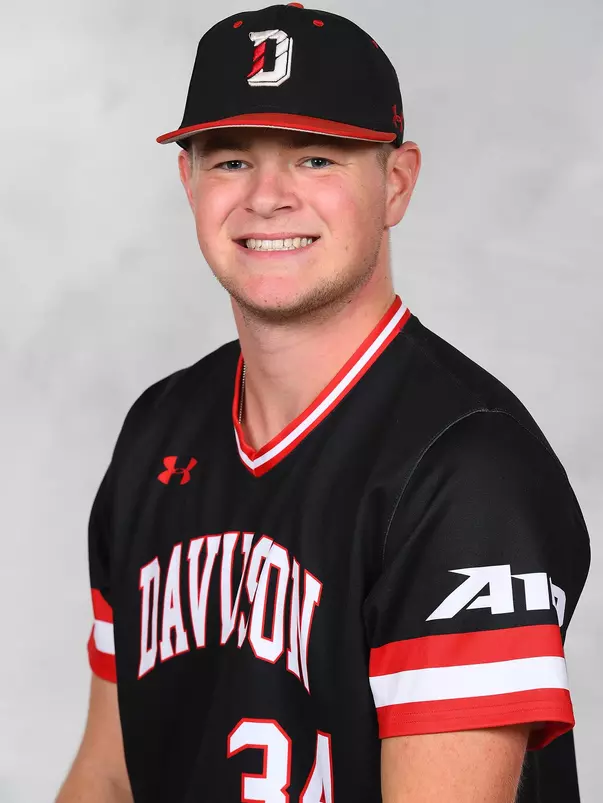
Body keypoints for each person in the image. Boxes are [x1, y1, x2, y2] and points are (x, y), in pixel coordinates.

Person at [56, 4, 591, 802]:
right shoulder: (157, 430)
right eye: (231, 160)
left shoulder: (467, 469)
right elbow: (106, 775)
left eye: (315, 159)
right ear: (188, 182)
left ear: (395, 183)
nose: (267, 197)